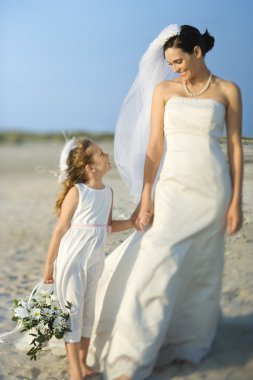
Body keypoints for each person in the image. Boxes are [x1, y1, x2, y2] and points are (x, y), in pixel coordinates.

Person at [86, 24, 243, 380]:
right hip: (172, 187)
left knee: (204, 267)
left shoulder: (228, 90)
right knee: (156, 265)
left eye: (179, 61)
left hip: (213, 187)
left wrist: (236, 203)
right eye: (171, 64)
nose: (175, 69)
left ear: (197, 53)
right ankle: (130, 359)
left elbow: (234, 148)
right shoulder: (164, 91)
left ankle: (189, 346)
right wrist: (146, 196)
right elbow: (155, 147)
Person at [42, 136, 134, 380]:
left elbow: (109, 225)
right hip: (72, 260)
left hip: (95, 260)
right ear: (90, 167)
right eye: (101, 154)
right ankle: (75, 372)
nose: (107, 155)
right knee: (72, 311)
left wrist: (134, 222)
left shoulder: (108, 192)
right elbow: (60, 229)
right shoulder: (77, 192)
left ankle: (82, 363)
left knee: (88, 313)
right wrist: (48, 264)